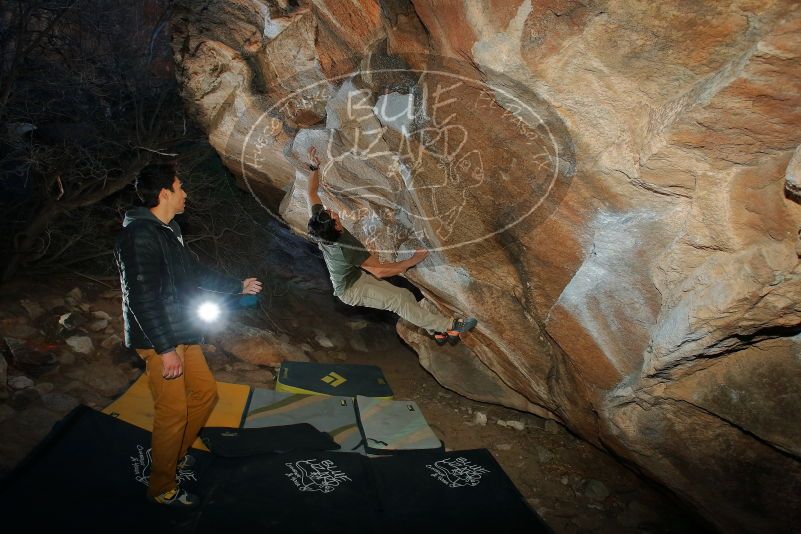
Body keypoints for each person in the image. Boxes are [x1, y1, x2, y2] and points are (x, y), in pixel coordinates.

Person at [114, 162, 262, 508]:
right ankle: (161, 487)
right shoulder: (139, 235)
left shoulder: (167, 231)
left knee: (206, 394)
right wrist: (165, 349)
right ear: (164, 193)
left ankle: (171, 457)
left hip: (180, 331)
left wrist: (236, 286)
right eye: (180, 188)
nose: (186, 195)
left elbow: (193, 273)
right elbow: (141, 296)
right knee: (173, 413)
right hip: (159, 338)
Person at [305, 147, 477, 344]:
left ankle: (435, 331)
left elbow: (311, 193)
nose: (330, 210)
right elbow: (380, 271)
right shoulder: (345, 247)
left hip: (354, 276)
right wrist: (414, 259)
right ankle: (450, 327)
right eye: (331, 214)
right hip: (351, 290)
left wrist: (314, 167)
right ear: (336, 226)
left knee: (403, 294)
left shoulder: (320, 227)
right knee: (398, 301)